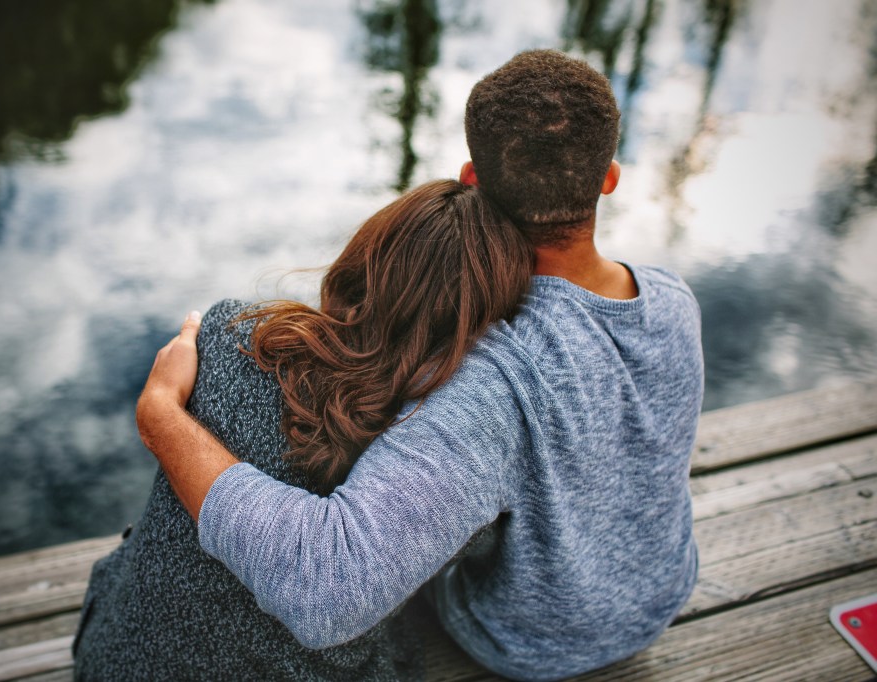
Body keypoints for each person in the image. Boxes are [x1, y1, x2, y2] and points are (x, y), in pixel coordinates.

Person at [136, 50, 704, 681]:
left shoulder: (489, 382)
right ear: (609, 179)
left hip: (530, 646)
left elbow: (327, 590)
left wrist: (161, 418)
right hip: (661, 595)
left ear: (471, 180)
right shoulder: (673, 299)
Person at [72, 180, 535, 680]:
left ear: (361, 261)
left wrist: (163, 410)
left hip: (116, 659)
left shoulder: (232, 337)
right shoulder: (440, 460)